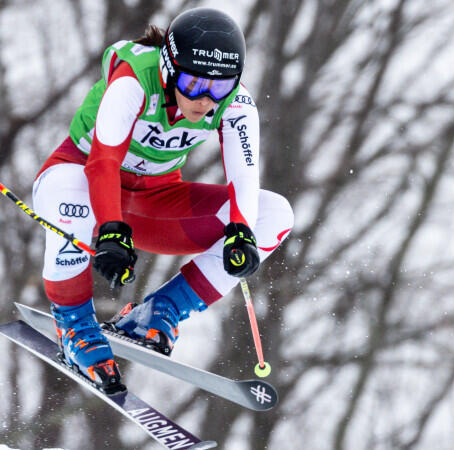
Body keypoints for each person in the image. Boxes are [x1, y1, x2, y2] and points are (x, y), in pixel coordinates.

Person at [31, 7, 294, 393]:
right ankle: (74, 325)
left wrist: (241, 232)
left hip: (154, 201)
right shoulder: (136, 79)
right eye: (193, 83)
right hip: (80, 184)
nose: (205, 99)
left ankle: (158, 311)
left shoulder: (235, 105)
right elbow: (102, 162)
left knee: (273, 215)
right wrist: (109, 229)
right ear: (170, 68)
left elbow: (244, 178)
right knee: (76, 195)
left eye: (219, 87)